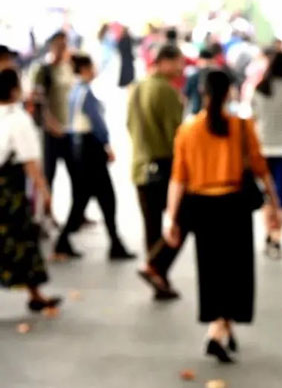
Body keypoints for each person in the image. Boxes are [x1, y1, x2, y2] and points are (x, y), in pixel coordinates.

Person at [164, 69, 280, 364]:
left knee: (212, 271)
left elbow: (178, 178)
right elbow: (260, 169)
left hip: (202, 207)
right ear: (229, 92)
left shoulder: (188, 130)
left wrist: (171, 217)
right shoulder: (241, 126)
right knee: (236, 272)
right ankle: (217, 332)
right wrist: (274, 205)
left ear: (202, 92)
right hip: (234, 206)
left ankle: (222, 329)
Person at [54, 53, 135, 260]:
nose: (94, 71)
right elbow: (97, 122)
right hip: (91, 148)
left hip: (79, 148)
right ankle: (113, 244)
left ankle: (68, 242)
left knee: (85, 198)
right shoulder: (85, 92)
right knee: (105, 197)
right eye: (91, 67)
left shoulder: (75, 90)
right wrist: (106, 143)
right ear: (84, 69)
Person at [0, 68, 61, 312]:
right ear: (15, 90)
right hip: (8, 189)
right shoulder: (18, 119)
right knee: (21, 238)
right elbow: (30, 163)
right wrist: (45, 193)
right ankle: (35, 292)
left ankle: (35, 293)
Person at [128, 44, 184, 299]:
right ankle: (155, 267)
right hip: (164, 166)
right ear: (164, 62)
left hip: (140, 166)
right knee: (181, 219)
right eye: (178, 62)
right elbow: (177, 133)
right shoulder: (166, 91)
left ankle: (158, 278)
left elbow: (128, 124)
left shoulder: (137, 88)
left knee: (151, 227)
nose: (181, 67)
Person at [251, 51, 282, 259]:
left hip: (262, 148)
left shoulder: (260, 88)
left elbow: (254, 117)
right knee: (281, 196)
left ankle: (268, 232)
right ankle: (276, 237)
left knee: (266, 195)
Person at [33, 32, 84, 224]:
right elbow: (39, 102)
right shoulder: (43, 70)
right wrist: (50, 123)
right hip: (51, 132)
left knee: (78, 175)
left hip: (70, 129)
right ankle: (48, 214)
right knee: (49, 176)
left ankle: (78, 214)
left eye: (65, 44)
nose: (63, 47)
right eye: (59, 44)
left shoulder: (69, 66)